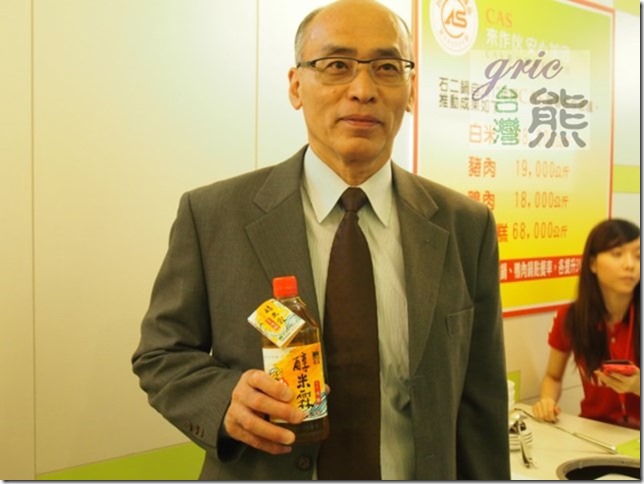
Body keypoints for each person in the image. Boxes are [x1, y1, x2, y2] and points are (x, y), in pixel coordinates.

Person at [132, 0, 510, 479]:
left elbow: (481, 404)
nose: (363, 90)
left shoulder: (466, 226)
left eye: (387, 68)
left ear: (411, 91)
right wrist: (224, 401)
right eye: (336, 65)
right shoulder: (213, 216)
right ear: (296, 86)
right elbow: (162, 354)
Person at [532, 218, 641, 429]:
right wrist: (547, 400)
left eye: (638, 256)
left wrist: (638, 386)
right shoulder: (571, 317)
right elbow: (553, 377)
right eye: (617, 254)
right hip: (595, 432)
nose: (630, 265)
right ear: (592, 264)